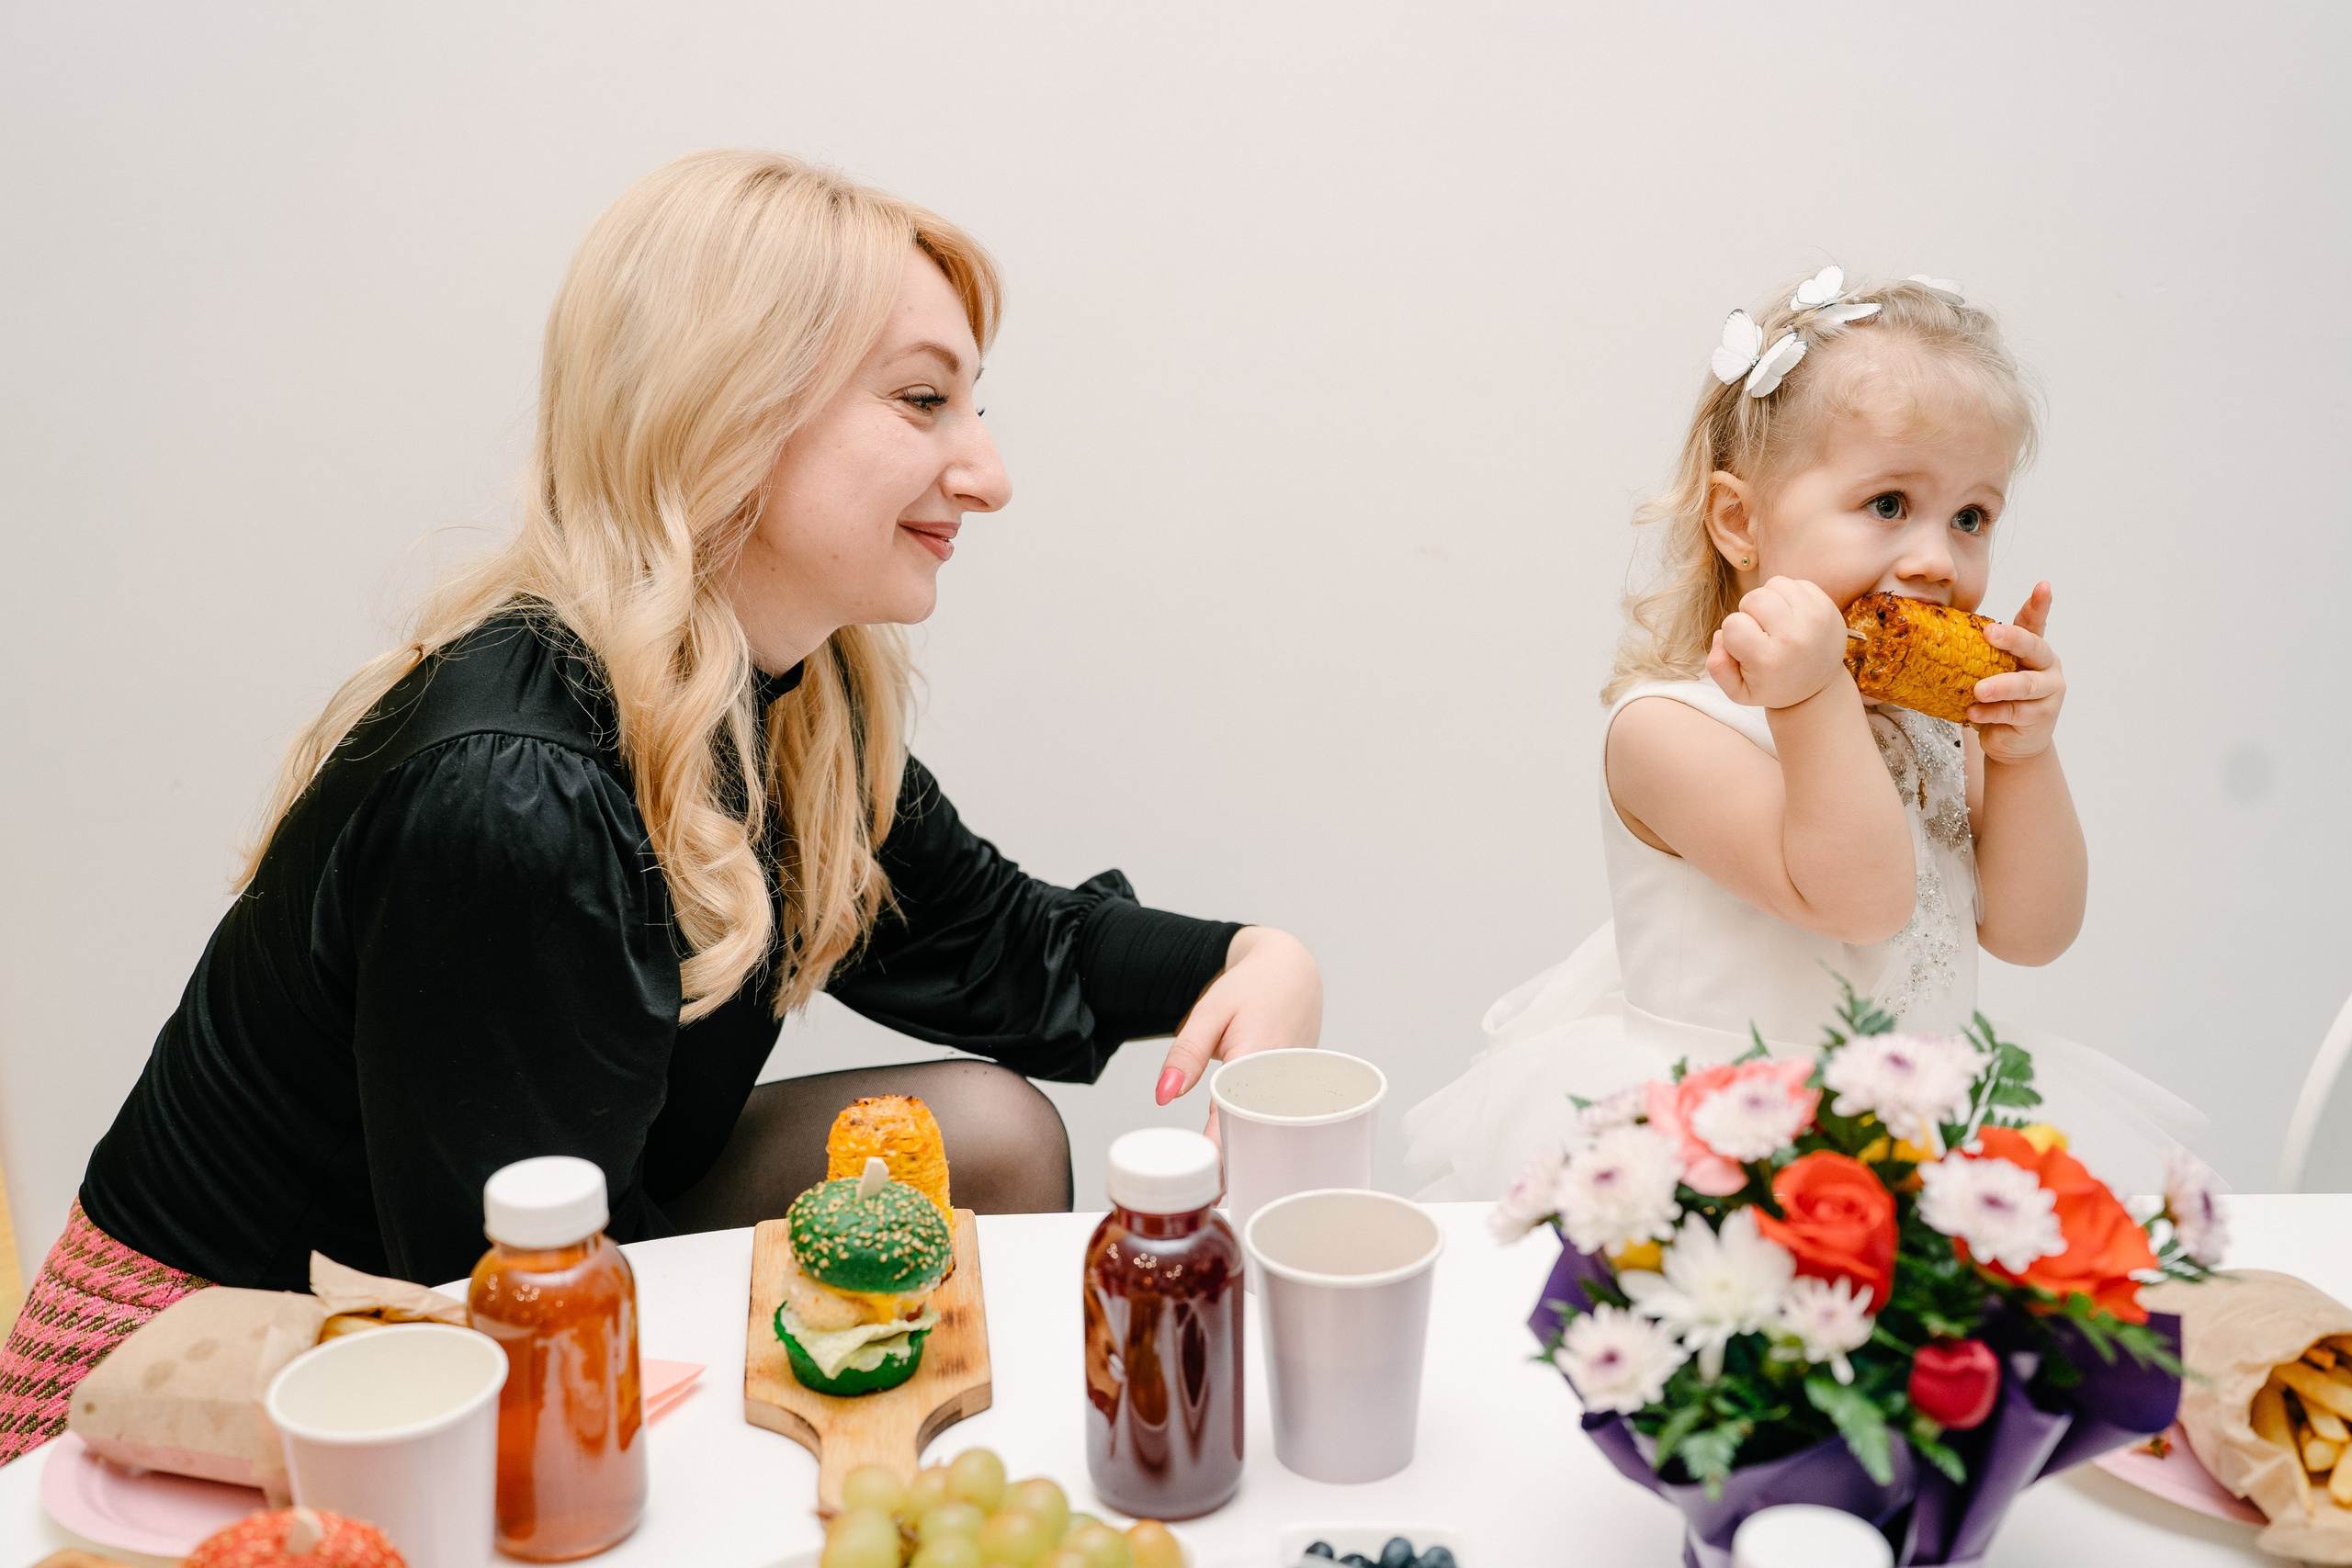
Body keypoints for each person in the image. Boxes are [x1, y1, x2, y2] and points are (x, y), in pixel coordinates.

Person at [0, 150, 1321, 1461]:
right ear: (728, 406)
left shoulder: (798, 700)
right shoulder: (520, 789)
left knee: (989, 1134)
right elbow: (500, 1321)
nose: (986, 473)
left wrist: (1253, 957)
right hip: (210, 1391)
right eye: (924, 400)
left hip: (507, 1283)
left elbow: (998, 943)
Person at [1404, 268, 2195, 1202]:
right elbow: (1857, 902)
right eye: (1889, 505)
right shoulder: (1667, 731)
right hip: (1730, 1150)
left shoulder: (1936, 724)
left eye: (1971, 517)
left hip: (1922, 1134)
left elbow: (2031, 933)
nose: (1938, 560)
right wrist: (1813, 696)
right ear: (1740, 522)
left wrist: (2024, 755)